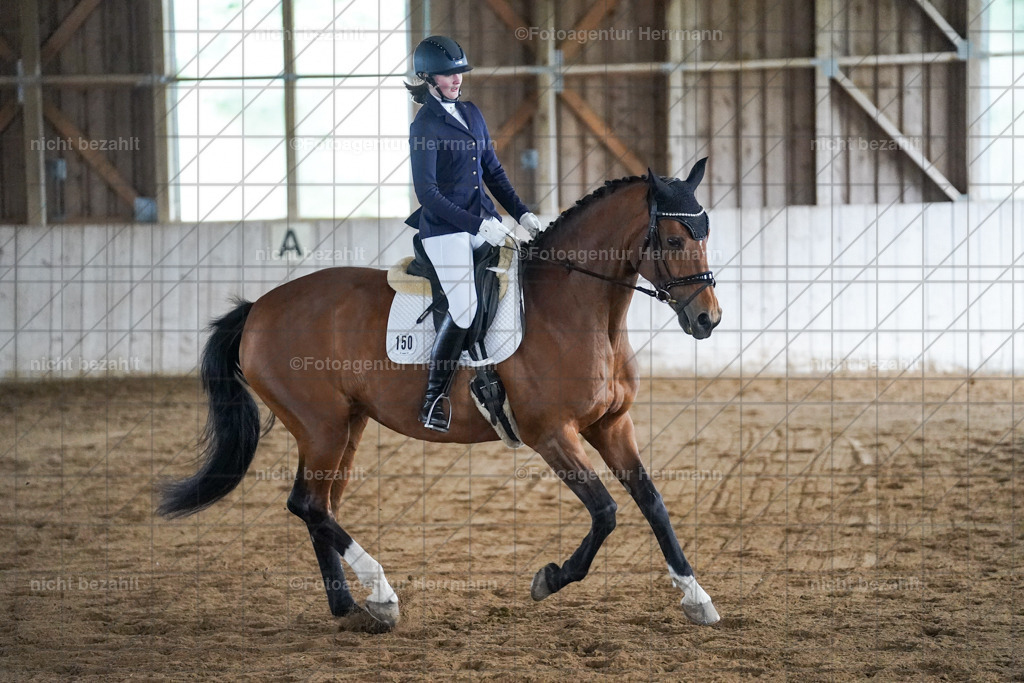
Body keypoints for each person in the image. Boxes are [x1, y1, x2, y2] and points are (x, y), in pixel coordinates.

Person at [404, 35, 544, 432]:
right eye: (448, 74)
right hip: (445, 231)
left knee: (521, 276)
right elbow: (427, 194)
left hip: (483, 220)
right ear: (427, 77)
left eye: (459, 73)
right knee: (464, 306)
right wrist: (476, 225)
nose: (456, 80)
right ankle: (433, 399)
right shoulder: (425, 125)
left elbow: (493, 172)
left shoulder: (471, 112)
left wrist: (521, 213)